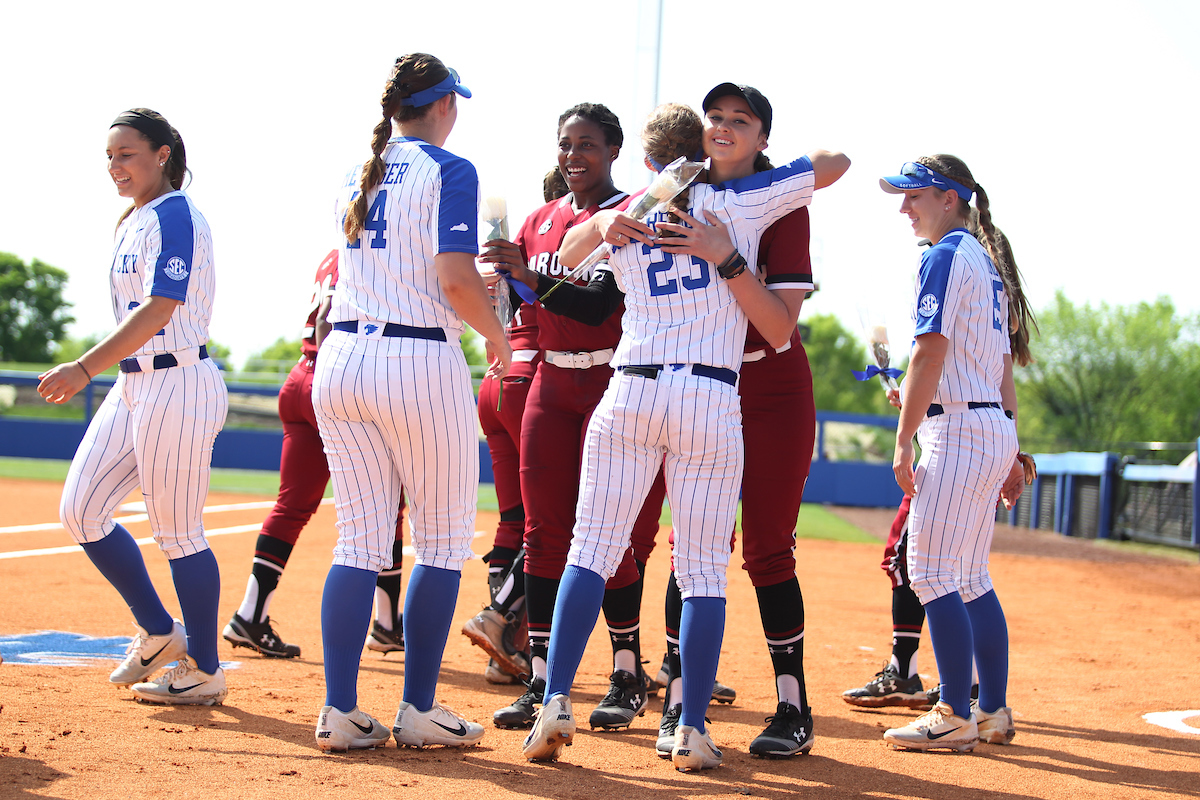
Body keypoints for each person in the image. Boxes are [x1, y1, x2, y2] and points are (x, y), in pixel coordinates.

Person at [520, 83, 848, 771]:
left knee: (590, 551)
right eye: (715, 125)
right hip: (705, 392)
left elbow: (564, 258)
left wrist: (606, 225)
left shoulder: (628, 208)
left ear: (646, 159)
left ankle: (553, 697)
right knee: (701, 571)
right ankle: (691, 725)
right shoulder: (737, 200)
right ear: (699, 146)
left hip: (629, 387)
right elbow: (834, 163)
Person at [311, 53, 510, 752]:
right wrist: (499, 337)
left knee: (359, 541)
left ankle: (340, 711)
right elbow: (456, 279)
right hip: (416, 358)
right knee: (443, 541)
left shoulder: (354, 169)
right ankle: (419, 709)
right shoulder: (448, 169)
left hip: (340, 357)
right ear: (446, 104)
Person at [466, 103, 668, 733]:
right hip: (551, 382)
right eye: (564, 145)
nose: (573, 156)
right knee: (544, 532)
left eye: (586, 145)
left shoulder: (628, 212)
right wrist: (495, 280)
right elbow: (516, 308)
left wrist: (528, 276)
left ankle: (627, 672)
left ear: (613, 151)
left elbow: (599, 301)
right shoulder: (537, 221)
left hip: (615, 378)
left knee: (618, 536)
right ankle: (543, 681)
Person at [37, 108, 228, 706]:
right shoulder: (134, 219)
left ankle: (204, 666)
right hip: (135, 385)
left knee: (177, 532)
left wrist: (83, 366)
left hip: (178, 383)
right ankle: (158, 629)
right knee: (81, 509)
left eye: (127, 153)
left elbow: (160, 308)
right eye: (110, 157)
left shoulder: (177, 215)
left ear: (163, 153)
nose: (116, 166)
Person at [878, 155, 1034, 752]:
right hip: (989, 426)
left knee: (931, 571)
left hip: (960, 431)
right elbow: (999, 370)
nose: (903, 207)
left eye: (913, 195)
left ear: (948, 197)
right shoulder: (986, 262)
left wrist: (902, 437)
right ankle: (991, 710)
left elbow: (929, 352)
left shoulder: (943, 255)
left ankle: (952, 711)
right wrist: (1014, 451)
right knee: (969, 577)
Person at [223, 250, 408, 660]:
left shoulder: (334, 253)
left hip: (300, 376)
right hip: (334, 378)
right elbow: (332, 322)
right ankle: (388, 624)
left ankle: (249, 613)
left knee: (291, 506)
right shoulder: (377, 249)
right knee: (387, 504)